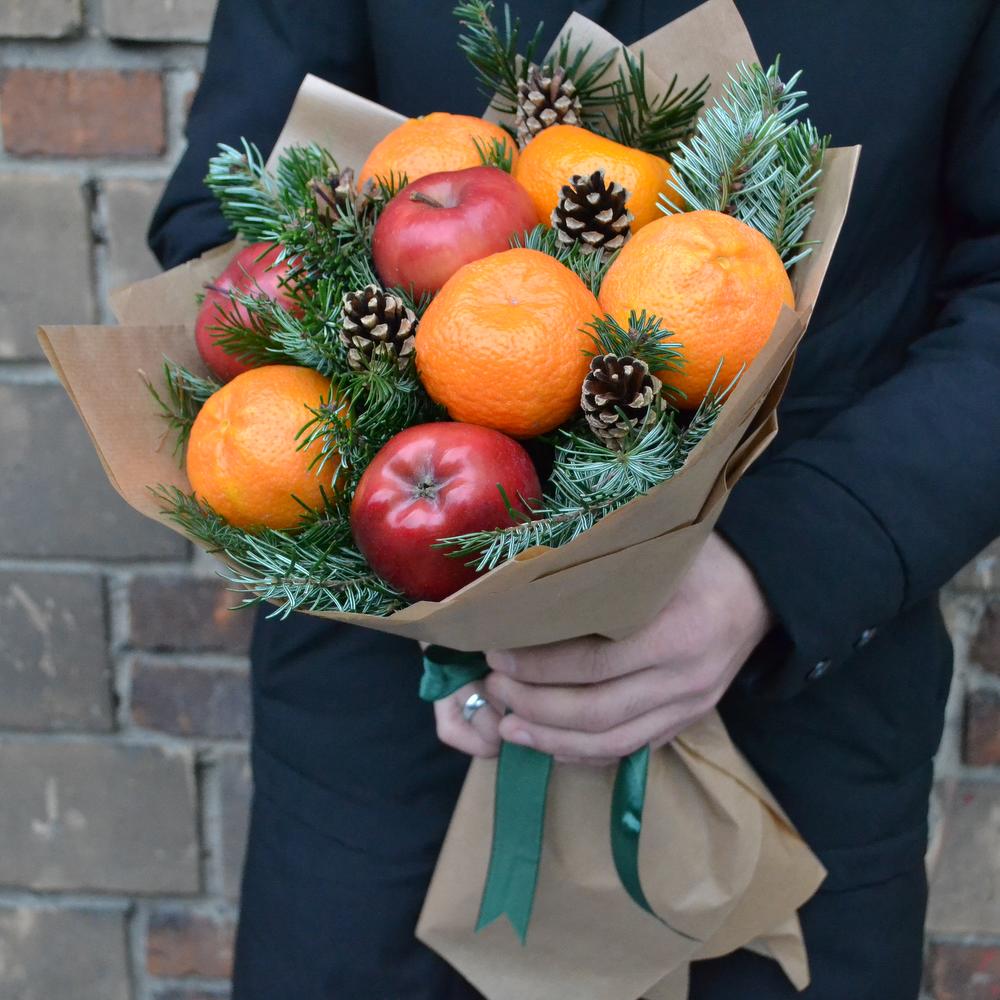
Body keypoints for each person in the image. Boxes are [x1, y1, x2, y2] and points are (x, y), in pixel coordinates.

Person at [149, 2, 1000, 997]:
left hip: (795, 726)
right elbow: (230, 219)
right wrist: (427, 571)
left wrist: (783, 563)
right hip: (391, 732)